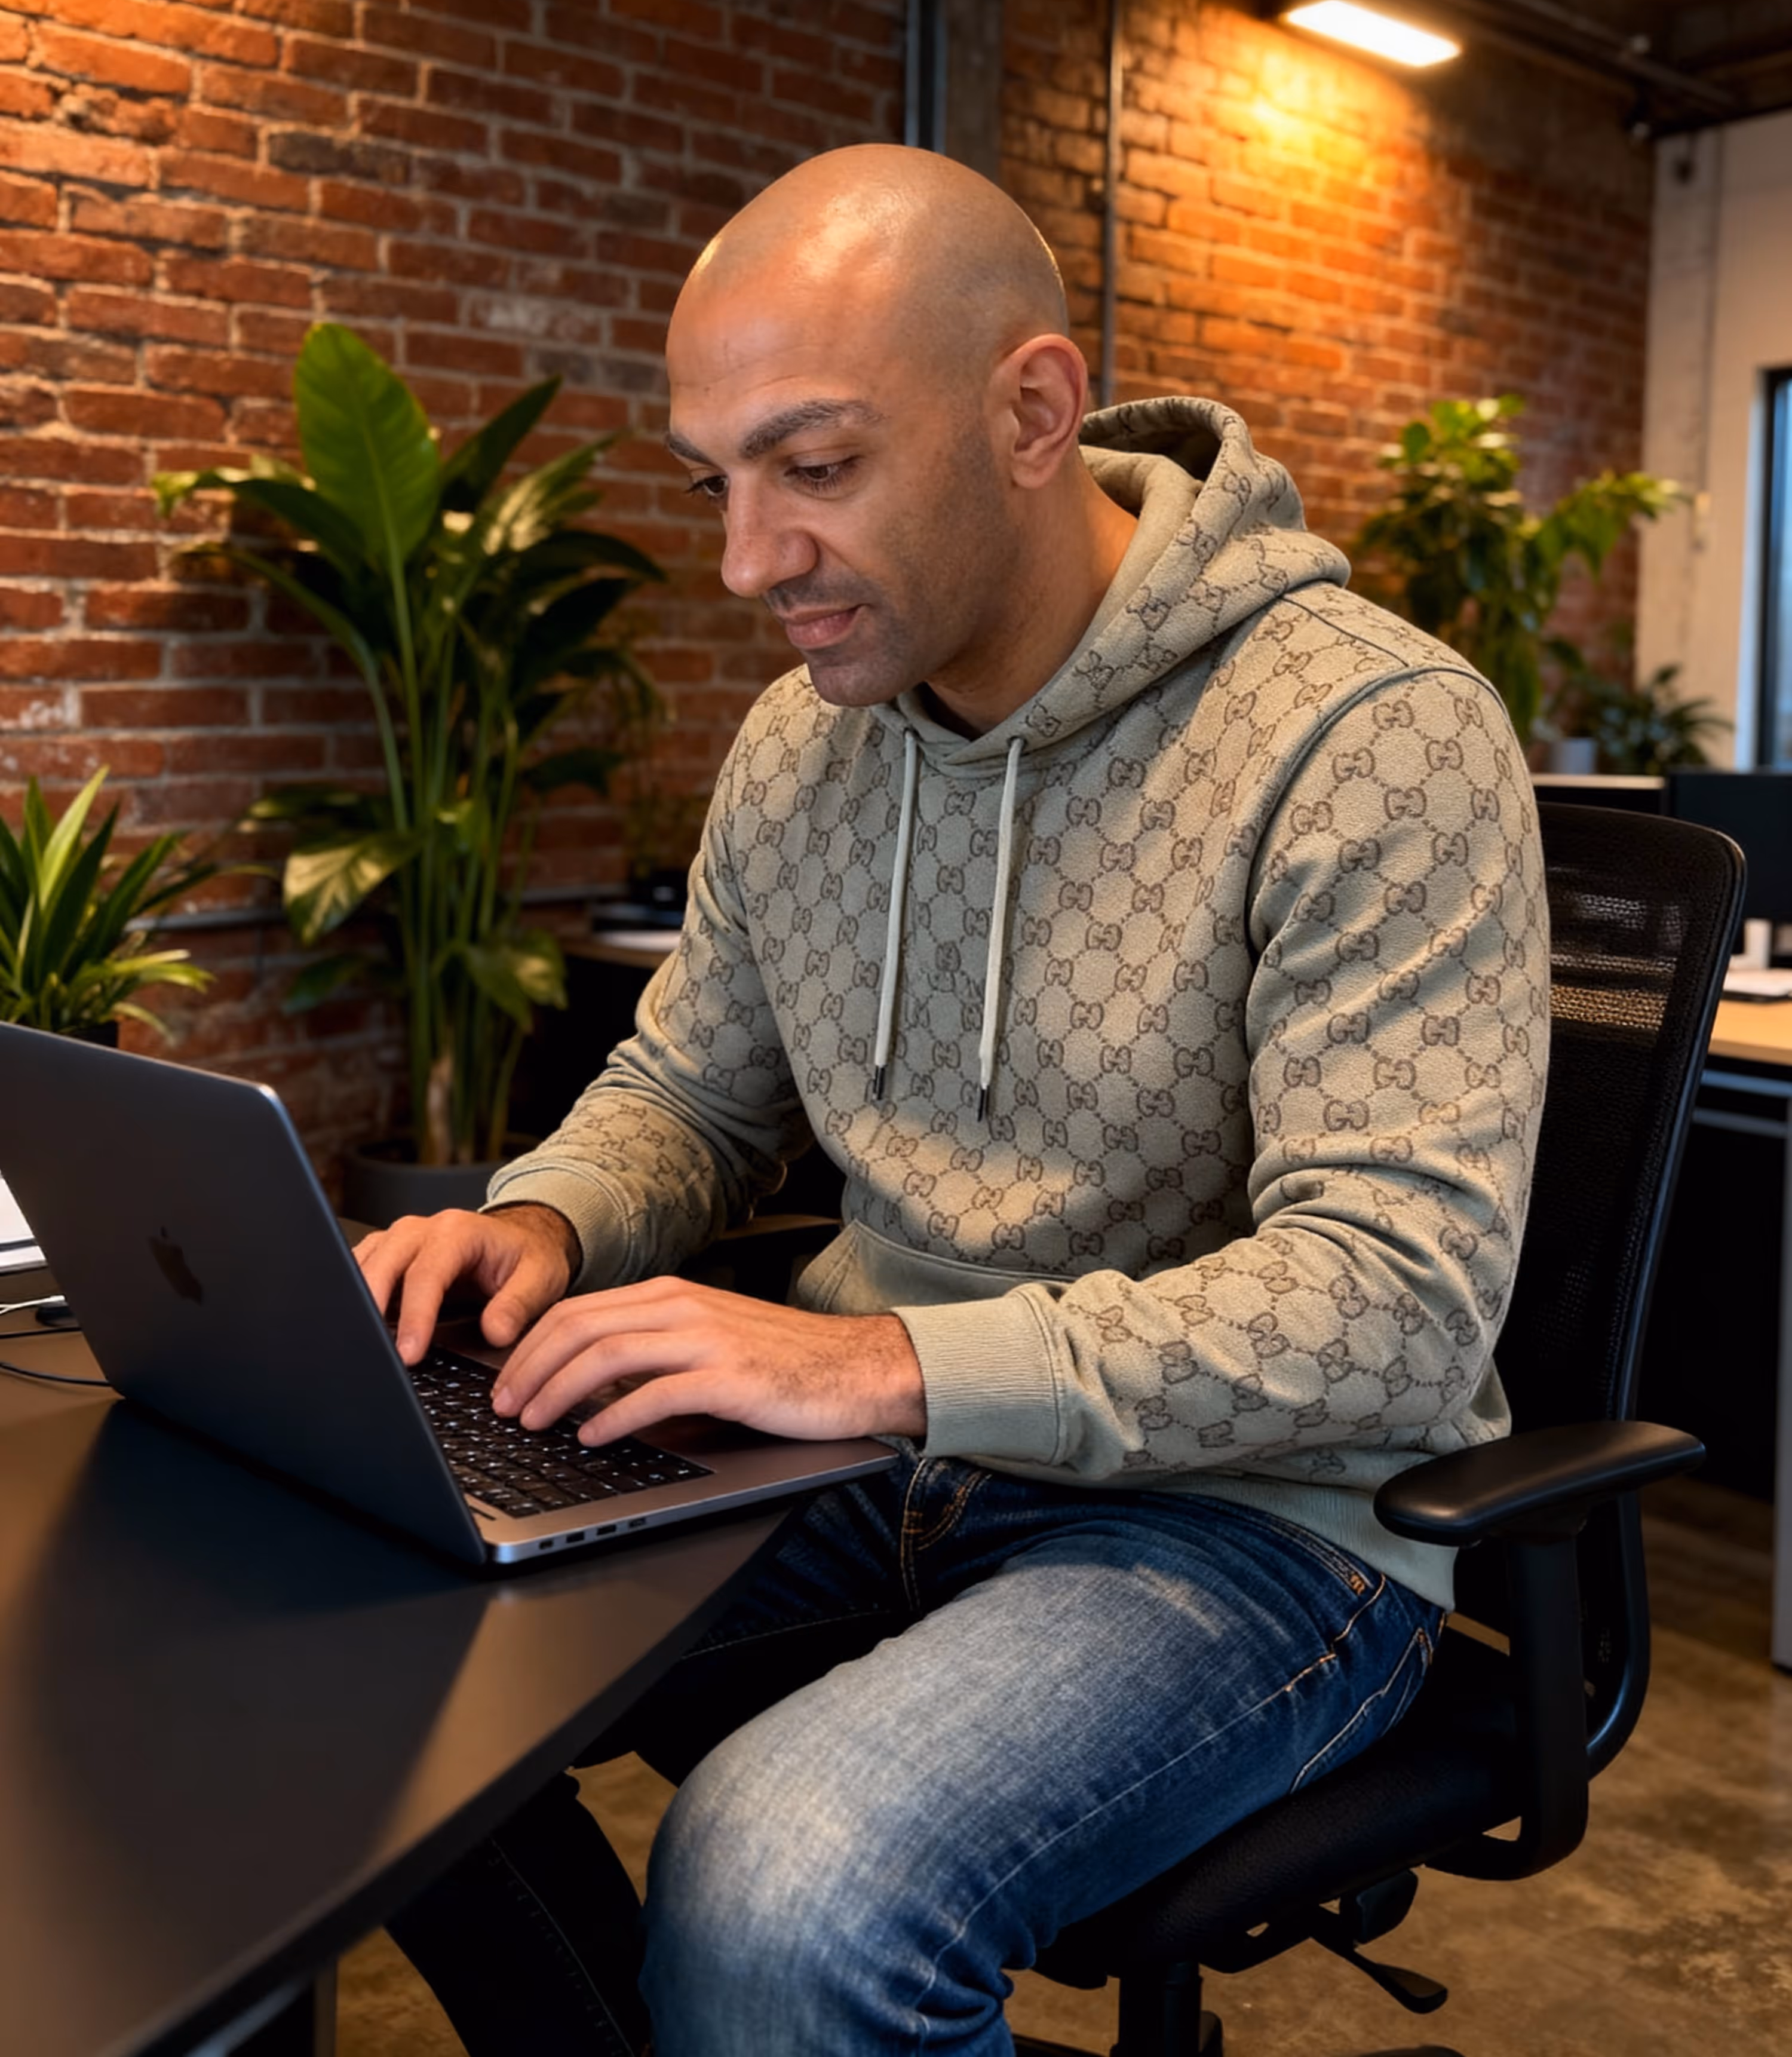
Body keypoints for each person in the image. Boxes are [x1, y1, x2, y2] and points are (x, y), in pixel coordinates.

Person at [358, 144, 1549, 2057]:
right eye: (716, 484)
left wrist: (877, 1370)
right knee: (350, 1654)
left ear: (1033, 411)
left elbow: (1394, 1309)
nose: (748, 562)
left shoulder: (1366, 738)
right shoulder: (800, 745)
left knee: (783, 1886)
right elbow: (687, 1085)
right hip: (865, 1469)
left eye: (814, 468)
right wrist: (540, 1221)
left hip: (1250, 1524)